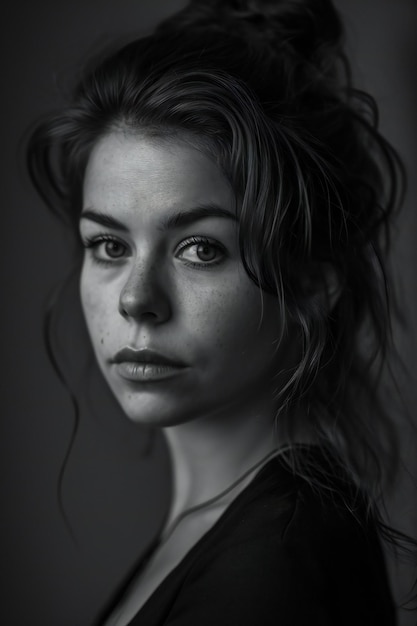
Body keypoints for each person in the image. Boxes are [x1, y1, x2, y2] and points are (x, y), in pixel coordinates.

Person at [26, 0, 416, 624]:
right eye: (109, 245)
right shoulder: (229, 524)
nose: (134, 298)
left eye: (200, 248)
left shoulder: (273, 572)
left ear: (311, 287)